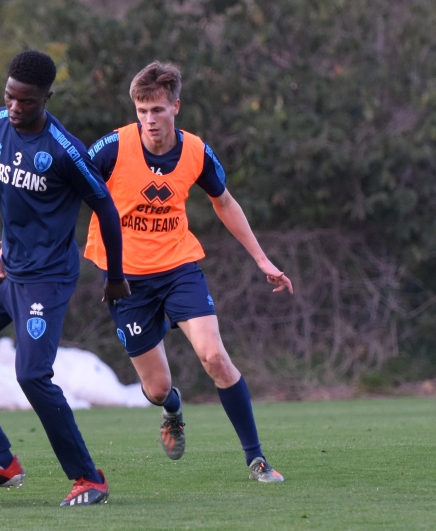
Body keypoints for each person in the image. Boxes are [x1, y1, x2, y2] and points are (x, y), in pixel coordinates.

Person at [0, 50, 131, 506]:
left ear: (46, 97)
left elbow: (106, 208)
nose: (15, 108)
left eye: (26, 101)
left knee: (32, 375)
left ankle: (88, 478)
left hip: (47, 280)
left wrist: (115, 276)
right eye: (9, 97)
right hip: (5, 272)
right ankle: (2, 460)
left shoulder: (66, 151)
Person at [84, 61, 292, 482]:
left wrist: (262, 259)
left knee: (214, 356)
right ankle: (172, 410)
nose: (149, 120)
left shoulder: (196, 151)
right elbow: (67, 189)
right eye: (142, 111)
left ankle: (256, 459)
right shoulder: (112, 148)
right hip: (124, 281)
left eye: (157, 110)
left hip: (179, 267)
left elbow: (225, 203)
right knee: (157, 388)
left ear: (175, 106)